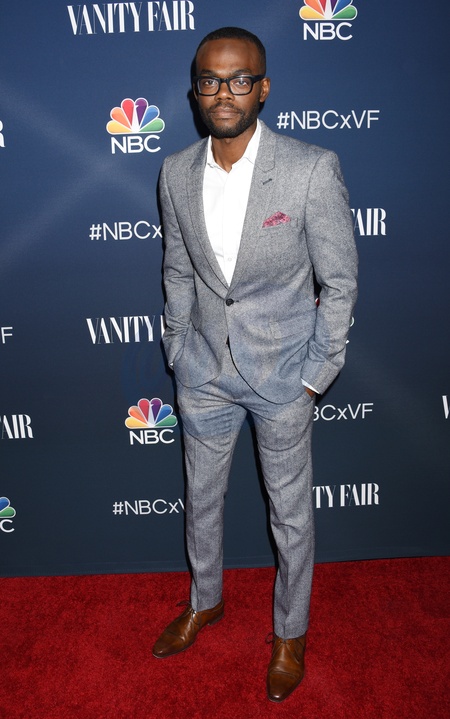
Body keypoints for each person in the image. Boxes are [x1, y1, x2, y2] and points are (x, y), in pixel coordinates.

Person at [152, 26, 358, 703]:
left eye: (240, 80)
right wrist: (178, 348)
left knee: (290, 514)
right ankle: (204, 599)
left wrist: (315, 375)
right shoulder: (175, 171)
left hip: (283, 377)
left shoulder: (310, 168)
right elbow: (177, 270)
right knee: (201, 501)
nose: (224, 93)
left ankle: (290, 634)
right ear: (195, 91)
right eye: (210, 80)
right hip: (203, 371)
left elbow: (339, 282)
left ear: (263, 88)